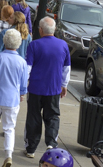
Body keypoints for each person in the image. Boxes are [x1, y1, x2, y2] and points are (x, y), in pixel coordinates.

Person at [0, 29, 29, 167]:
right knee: (9, 127)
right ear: (19, 43)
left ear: (4, 41)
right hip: (12, 98)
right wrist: (22, 93)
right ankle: (8, 154)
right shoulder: (22, 62)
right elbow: (23, 82)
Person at [24, 16, 71, 158]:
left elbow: (27, 68)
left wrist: (23, 85)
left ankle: (31, 148)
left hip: (35, 88)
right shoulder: (63, 45)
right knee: (52, 116)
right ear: (54, 29)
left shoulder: (34, 45)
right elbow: (66, 68)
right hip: (54, 88)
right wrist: (64, 85)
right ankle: (51, 143)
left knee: (33, 117)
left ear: (40, 30)